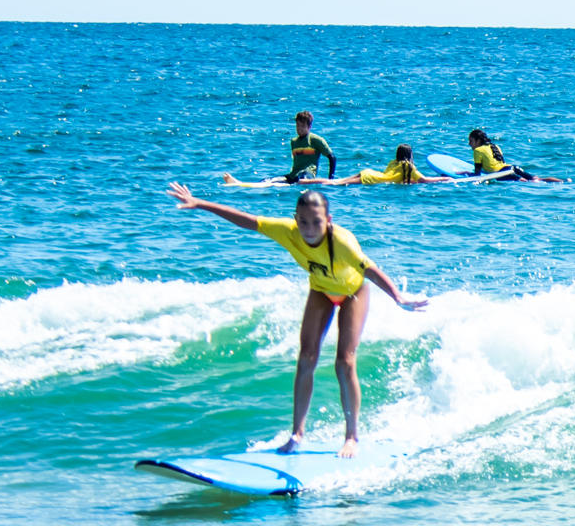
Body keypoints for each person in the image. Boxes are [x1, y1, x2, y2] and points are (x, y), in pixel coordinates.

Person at [166, 182, 426, 456]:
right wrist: (201, 203)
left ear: (328, 220)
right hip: (322, 290)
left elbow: (370, 270)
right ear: (295, 219)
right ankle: (297, 434)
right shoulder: (288, 232)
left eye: (316, 222)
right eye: (303, 221)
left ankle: (351, 437)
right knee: (306, 358)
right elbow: (248, 220)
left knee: (344, 362)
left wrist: (397, 296)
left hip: (353, 292)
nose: (309, 229)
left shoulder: (342, 243)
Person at [221, 110, 337, 188]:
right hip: (294, 175)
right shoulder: (294, 142)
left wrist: (331, 178)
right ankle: (240, 184)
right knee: (267, 181)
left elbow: (332, 157)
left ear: (309, 127)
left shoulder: (316, 140)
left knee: (300, 179)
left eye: (302, 126)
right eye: (297, 126)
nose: (299, 129)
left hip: (308, 175)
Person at [465, 128, 563, 183]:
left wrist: (465, 173)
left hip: (501, 173)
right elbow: (498, 163)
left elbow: (477, 174)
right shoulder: (495, 146)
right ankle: (562, 181)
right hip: (511, 167)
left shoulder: (477, 150)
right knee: (537, 179)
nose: (469, 144)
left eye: (471, 141)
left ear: (478, 141)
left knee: (526, 182)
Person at [332, 144, 454, 185]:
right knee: (336, 185)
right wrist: (444, 178)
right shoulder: (408, 166)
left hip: (370, 173)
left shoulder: (394, 163)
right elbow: (424, 180)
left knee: (335, 182)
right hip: (372, 179)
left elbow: (392, 177)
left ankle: (313, 182)